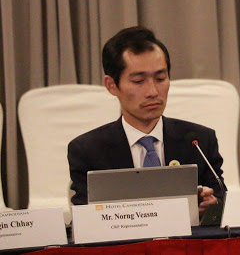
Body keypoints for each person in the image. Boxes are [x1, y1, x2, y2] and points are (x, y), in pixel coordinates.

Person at [68, 26, 224, 211]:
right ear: (112, 85)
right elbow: (84, 217)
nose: (152, 91)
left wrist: (211, 205)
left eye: (160, 78)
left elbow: (221, 200)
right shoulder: (88, 151)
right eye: (138, 81)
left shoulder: (199, 141)